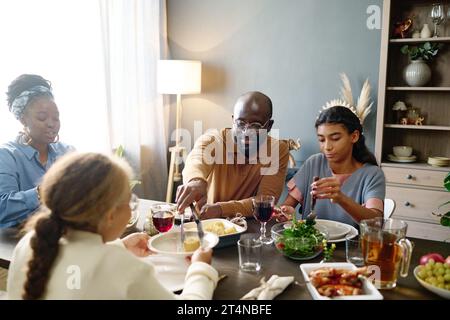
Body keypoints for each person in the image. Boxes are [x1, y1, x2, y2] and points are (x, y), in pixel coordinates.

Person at [7, 152, 218, 299]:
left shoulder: (30, 242)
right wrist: (201, 268)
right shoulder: (123, 267)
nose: (132, 207)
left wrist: (119, 246)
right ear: (109, 215)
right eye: (130, 201)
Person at [176, 91, 289, 219]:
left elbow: (265, 201)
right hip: (211, 224)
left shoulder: (278, 150)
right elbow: (196, 159)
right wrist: (195, 181)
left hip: (251, 227)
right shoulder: (214, 140)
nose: (246, 132)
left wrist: (221, 209)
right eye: (240, 124)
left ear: (269, 126)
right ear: (232, 120)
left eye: (256, 125)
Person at [275, 106, 385, 227]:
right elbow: (288, 205)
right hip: (310, 243)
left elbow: (375, 222)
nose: (327, 146)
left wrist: (341, 198)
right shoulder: (314, 163)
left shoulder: (372, 174)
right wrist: (286, 212)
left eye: (335, 138)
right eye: (322, 140)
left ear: (354, 136)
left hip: (351, 245)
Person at [0, 74, 73, 228]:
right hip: (17, 242)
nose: (51, 124)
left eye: (56, 118)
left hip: (64, 235)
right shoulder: (6, 156)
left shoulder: (67, 152)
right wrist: (43, 191)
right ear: (23, 119)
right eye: (42, 118)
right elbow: (2, 208)